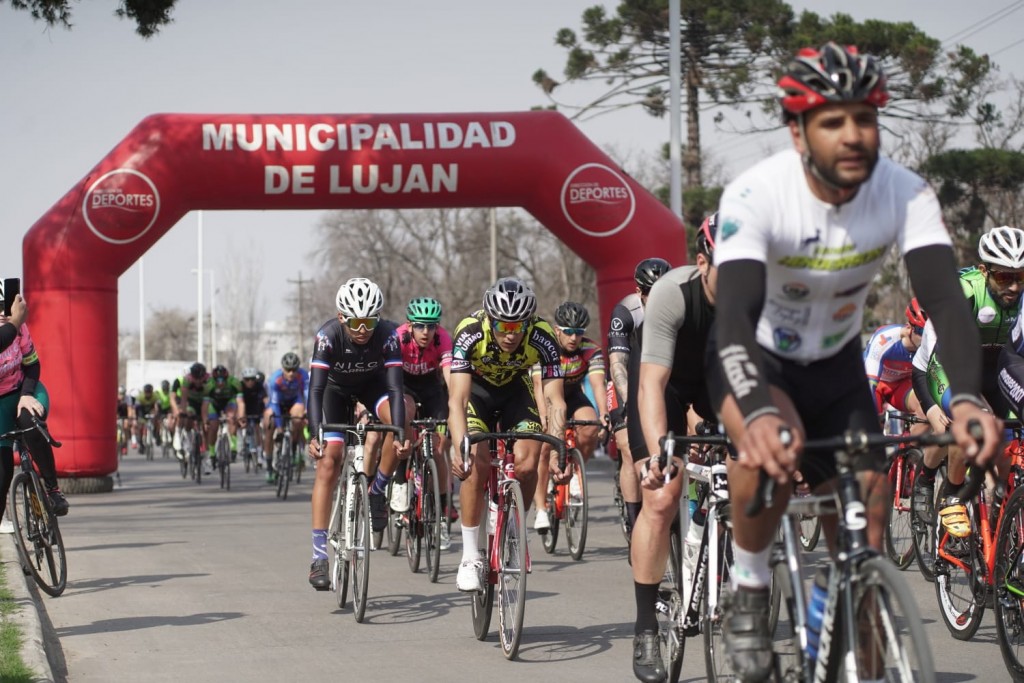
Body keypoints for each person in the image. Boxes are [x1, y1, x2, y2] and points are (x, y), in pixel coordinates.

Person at [701, 42, 1002, 681]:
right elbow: (731, 320)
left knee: (864, 523)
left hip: (836, 367)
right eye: (833, 120)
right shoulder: (757, 194)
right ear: (798, 130)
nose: (853, 134)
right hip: (759, 360)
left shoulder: (902, 191)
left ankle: (856, 635)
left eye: (865, 117)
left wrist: (969, 398)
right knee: (769, 457)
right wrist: (753, 411)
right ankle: (750, 587)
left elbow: (948, 303)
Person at [629, 214, 718, 682]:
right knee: (662, 496)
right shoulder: (672, 292)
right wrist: (661, 453)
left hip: (723, 384)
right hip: (666, 386)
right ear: (703, 262)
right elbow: (651, 385)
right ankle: (646, 627)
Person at [448, 277, 566, 593]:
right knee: (476, 461)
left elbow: (556, 400)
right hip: (477, 392)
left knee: (529, 463)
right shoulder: (470, 331)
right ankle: (471, 555)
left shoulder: (543, 336)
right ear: (490, 319)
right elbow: (456, 399)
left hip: (516, 391)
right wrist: (460, 446)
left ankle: (514, 530)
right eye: (502, 326)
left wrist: (557, 450)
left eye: (517, 327)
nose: (509, 335)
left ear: (528, 323)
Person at [912, 226, 1024, 537]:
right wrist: (931, 405)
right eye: (1004, 277)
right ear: (984, 270)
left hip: (999, 368)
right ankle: (948, 492)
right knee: (969, 422)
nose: (1014, 286)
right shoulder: (964, 291)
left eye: (1021, 276)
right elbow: (937, 352)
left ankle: (1006, 501)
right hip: (943, 363)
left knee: (1009, 436)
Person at [305, 277, 411, 590]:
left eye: (370, 321)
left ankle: (377, 490)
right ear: (342, 317)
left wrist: (401, 435)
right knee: (329, 460)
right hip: (334, 392)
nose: (363, 329)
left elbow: (394, 387)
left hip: (374, 386)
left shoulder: (388, 335)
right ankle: (319, 555)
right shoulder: (328, 336)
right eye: (355, 322)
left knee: (400, 418)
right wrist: (315, 435)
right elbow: (315, 389)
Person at [606, 257, 671, 542]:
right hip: (629, 379)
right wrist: (632, 406)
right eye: (649, 295)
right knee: (628, 446)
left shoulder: (677, 305)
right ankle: (635, 526)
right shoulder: (626, 310)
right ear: (639, 291)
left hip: (662, 375)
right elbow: (618, 364)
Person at [533, 300, 608, 532]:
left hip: (573, 396)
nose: (574, 338)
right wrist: (544, 417)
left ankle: (577, 469)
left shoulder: (590, 350)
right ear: (557, 331)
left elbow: (597, 385)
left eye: (578, 332)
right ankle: (540, 509)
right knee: (545, 446)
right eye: (568, 332)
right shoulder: (545, 347)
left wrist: (604, 414)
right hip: (545, 396)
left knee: (590, 426)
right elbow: (537, 386)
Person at [393, 297, 456, 548]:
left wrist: (456, 411)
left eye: (431, 326)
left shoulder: (443, 338)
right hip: (404, 386)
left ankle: (441, 513)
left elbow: (451, 379)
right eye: (420, 326)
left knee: (439, 448)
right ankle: (400, 481)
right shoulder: (398, 338)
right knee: (405, 423)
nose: (426, 332)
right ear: (409, 325)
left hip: (431, 388)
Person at [0, 295, 69, 521]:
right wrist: (14, 322)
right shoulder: (12, 326)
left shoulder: (19, 328)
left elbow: (32, 364)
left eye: (5, 307)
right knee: (3, 473)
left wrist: (26, 395)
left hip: (24, 390)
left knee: (31, 425)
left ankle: (53, 491)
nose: (3, 313)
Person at [263, 353, 308, 483]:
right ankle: (269, 467)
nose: (291, 373)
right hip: (277, 403)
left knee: (299, 417)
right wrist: (280, 428)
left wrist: (309, 412)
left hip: (294, 401)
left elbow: (307, 395)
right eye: (288, 370)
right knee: (269, 422)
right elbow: (275, 404)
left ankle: (293, 448)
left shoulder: (303, 375)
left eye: (294, 369)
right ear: (282, 368)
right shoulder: (275, 379)